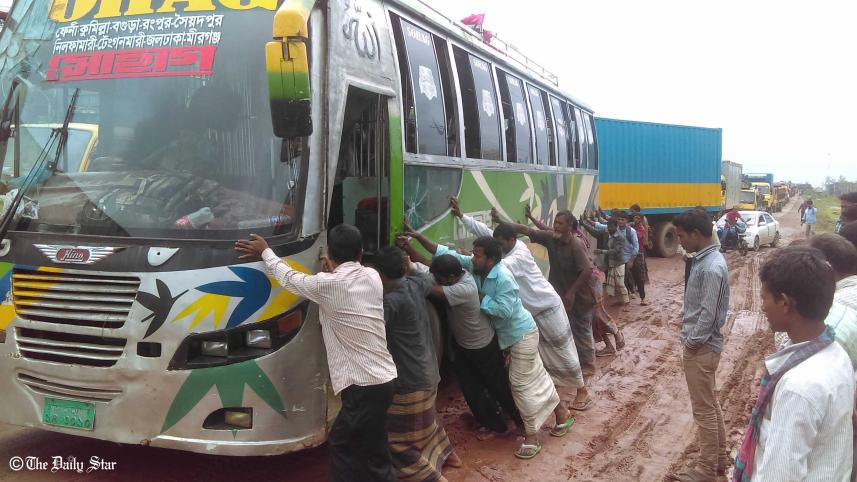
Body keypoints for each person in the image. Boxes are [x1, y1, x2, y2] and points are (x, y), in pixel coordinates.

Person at [234, 225, 397, 482]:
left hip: (363, 385)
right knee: (372, 446)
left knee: (344, 444)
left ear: (329, 253)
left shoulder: (327, 285)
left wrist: (266, 251)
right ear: (361, 253)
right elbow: (343, 284)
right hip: (384, 379)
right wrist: (331, 271)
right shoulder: (372, 276)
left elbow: (289, 279)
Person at [404, 231, 560, 459]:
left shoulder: (497, 280)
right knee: (483, 386)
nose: (471, 257)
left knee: (514, 385)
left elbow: (504, 311)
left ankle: (529, 431)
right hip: (483, 340)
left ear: (490, 259)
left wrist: (481, 298)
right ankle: (540, 417)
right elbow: (442, 254)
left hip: (518, 334)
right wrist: (415, 240)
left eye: (476, 255)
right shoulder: (473, 267)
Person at [451, 199, 593, 413]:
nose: (497, 248)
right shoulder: (505, 247)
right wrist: (462, 216)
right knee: (544, 356)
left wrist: (470, 257)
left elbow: (495, 264)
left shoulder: (518, 255)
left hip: (547, 307)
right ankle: (555, 395)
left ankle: (582, 391)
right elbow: (484, 232)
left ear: (511, 240)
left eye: (499, 245)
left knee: (564, 350)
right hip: (531, 313)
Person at [733, 246, 854, 482]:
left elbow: (780, 474)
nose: (762, 307)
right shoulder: (836, 353)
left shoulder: (798, 387)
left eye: (764, 298)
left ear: (785, 303)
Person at [414, 251, 523, 440]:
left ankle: (520, 421)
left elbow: (429, 288)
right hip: (462, 344)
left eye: (440, 279)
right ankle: (495, 425)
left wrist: (411, 277)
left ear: (451, 277)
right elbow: (425, 273)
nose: (437, 281)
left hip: (483, 346)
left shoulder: (465, 288)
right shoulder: (452, 276)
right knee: (471, 388)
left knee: (498, 386)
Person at [373, 247, 461, 480]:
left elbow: (369, 329)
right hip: (429, 372)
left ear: (379, 274)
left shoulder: (392, 301)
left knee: (397, 441)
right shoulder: (416, 284)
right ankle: (449, 456)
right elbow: (422, 275)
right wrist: (409, 266)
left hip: (410, 380)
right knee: (427, 423)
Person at [505, 210, 599, 377]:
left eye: (560, 223)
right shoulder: (551, 238)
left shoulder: (576, 244)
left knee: (582, 328)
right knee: (568, 328)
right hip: (562, 293)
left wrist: (571, 293)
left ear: (570, 226)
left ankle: (589, 365)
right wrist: (504, 224)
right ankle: (574, 362)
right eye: (555, 222)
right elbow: (528, 231)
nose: (556, 226)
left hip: (581, 295)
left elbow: (586, 270)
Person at [672, 209, 730, 481]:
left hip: (702, 348)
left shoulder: (710, 267)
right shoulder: (706, 260)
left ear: (696, 234)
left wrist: (692, 343)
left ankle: (706, 468)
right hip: (704, 346)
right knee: (710, 404)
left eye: (681, 235)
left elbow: (708, 314)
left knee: (703, 409)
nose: (680, 240)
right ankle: (718, 459)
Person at [592, 218, 630, 308]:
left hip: (619, 263)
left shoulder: (619, 237)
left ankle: (626, 302)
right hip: (612, 262)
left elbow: (616, 251)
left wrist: (602, 251)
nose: (609, 228)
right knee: (615, 284)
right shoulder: (609, 236)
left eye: (611, 226)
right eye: (608, 226)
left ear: (616, 226)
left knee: (620, 283)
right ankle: (620, 301)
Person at [631, 213, 649, 306]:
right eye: (635, 218)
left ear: (641, 220)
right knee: (631, 275)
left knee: (639, 276)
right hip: (630, 254)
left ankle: (642, 298)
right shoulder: (631, 227)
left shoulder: (641, 229)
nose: (636, 220)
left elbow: (637, 236)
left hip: (639, 254)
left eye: (638, 218)